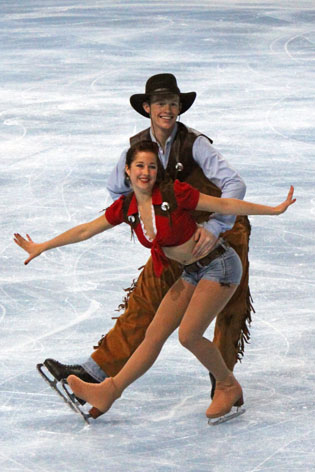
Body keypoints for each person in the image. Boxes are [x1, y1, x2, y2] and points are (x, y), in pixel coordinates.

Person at [14, 140, 295, 420]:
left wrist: (274, 209)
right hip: (193, 272)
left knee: (188, 335)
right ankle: (109, 390)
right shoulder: (127, 207)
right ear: (127, 170)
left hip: (219, 265)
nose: (145, 172)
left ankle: (227, 385)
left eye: (151, 166)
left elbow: (224, 203)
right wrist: (42, 246)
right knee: (153, 335)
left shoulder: (173, 194)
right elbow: (85, 230)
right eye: (139, 166)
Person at [41, 73, 252, 398]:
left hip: (224, 227)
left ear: (179, 108)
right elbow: (116, 189)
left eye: (172, 103)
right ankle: (97, 373)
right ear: (147, 107)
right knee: (145, 297)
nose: (166, 109)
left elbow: (235, 185)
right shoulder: (137, 149)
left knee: (231, 304)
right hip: (175, 234)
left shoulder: (194, 143)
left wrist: (214, 227)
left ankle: (222, 381)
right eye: (159, 103)